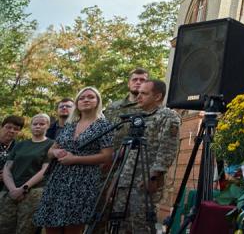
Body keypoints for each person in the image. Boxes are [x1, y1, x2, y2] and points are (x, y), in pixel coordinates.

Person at [33, 86, 114, 234]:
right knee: (50, 223)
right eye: (82, 98)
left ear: (98, 101)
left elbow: (107, 156)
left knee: (73, 225)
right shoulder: (70, 125)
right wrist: (56, 152)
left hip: (83, 181)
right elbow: (50, 151)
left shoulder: (104, 126)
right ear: (77, 103)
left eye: (90, 97)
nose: (86, 100)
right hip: (57, 179)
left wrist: (75, 159)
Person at [111, 79, 180, 233]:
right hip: (125, 180)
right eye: (138, 93)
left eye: (144, 93)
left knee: (140, 225)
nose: (138, 97)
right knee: (120, 225)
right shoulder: (137, 117)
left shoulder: (168, 116)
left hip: (144, 182)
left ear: (157, 97)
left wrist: (154, 176)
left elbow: (167, 149)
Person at [0, 114, 53, 234]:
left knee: (25, 229)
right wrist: (13, 189)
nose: (38, 126)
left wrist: (23, 189)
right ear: (30, 126)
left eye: (42, 124)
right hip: (9, 191)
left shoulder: (51, 144)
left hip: (33, 192)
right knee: (4, 227)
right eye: (35, 124)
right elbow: (7, 168)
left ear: (48, 126)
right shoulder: (19, 144)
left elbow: (45, 170)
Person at [105, 68, 148, 149]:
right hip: (112, 158)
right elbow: (104, 135)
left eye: (142, 80)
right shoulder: (113, 107)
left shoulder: (151, 108)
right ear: (128, 84)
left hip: (138, 158)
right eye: (134, 80)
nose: (138, 82)